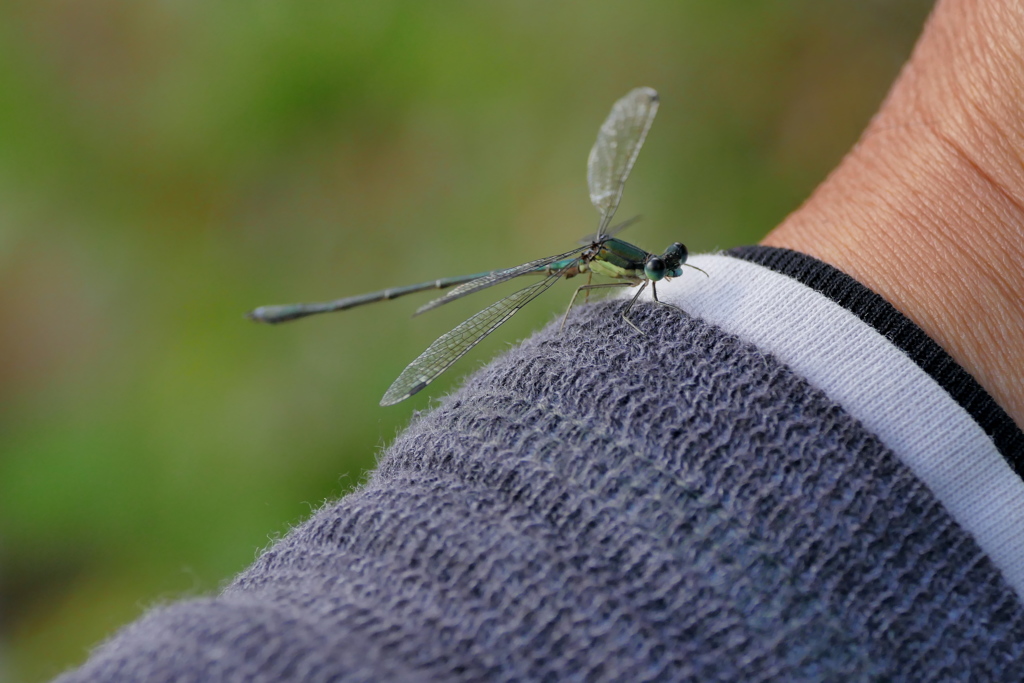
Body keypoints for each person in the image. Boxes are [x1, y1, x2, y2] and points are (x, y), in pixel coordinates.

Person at [57, 0, 1024, 679]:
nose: (671, 268)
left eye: (668, 265)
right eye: (665, 267)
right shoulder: (606, 273)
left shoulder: (643, 264)